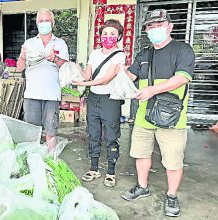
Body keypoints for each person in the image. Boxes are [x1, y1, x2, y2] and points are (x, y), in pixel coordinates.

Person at [119, 9, 195, 217]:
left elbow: (182, 78)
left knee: (172, 160)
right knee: (141, 154)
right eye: (151, 27)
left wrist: (152, 90)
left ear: (169, 27)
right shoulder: (144, 54)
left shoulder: (183, 50)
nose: (155, 30)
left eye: (159, 26)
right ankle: (142, 187)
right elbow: (129, 76)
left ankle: (171, 195)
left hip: (171, 117)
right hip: (144, 115)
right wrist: (117, 71)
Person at [72, 19, 126, 187]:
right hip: (93, 99)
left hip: (110, 100)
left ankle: (111, 171)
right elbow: (88, 75)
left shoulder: (119, 55)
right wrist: (74, 69)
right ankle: (94, 168)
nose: (108, 37)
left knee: (111, 136)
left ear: (118, 37)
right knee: (93, 134)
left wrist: (82, 84)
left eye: (112, 34)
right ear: (100, 35)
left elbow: (104, 80)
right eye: (105, 33)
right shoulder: (95, 53)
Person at [16, 8, 69, 148]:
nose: (44, 23)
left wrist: (55, 59)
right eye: (41, 21)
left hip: (52, 95)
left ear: (53, 23)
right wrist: (22, 57)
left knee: (50, 131)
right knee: (31, 131)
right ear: (37, 23)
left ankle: (51, 163)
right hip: (32, 94)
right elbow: (19, 67)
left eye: (47, 20)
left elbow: (65, 66)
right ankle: (31, 160)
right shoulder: (29, 43)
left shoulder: (60, 43)